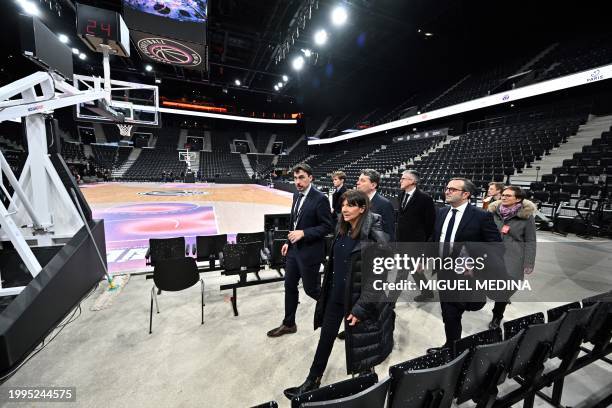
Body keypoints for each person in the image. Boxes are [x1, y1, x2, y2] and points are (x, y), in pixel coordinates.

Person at [283, 190, 394, 398]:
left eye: (350, 205)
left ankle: (366, 386)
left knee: (363, 347)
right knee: (325, 338)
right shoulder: (342, 228)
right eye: (343, 204)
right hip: (336, 296)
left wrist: (361, 307)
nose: (344, 209)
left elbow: (380, 276)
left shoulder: (374, 233)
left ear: (362, 208)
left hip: (359, 301)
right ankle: (312, 380)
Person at [427, 178, 502, 354]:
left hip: (466, 275)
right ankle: (452, 346)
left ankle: (455, 348)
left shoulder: (481, 216)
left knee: (462, 308)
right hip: (444, 271)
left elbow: (496, 246)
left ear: (465, 194)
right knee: (449, 314)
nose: (447, 191)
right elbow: (435, 238)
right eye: (446, 188)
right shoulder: (442, 212)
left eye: (452, 189)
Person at [267, 163, 333, 338]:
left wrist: (304, 233)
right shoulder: (296, 195)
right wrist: (289, 241)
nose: (298, 181)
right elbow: (293, 222)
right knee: (289, 285)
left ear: (310, 177)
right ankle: (289, 323)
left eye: (301, 177)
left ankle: (335, 310)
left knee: (312, 290)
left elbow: (327, 226)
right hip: (294, 250)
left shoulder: (320, 198)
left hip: (310, 252)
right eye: (295, 178)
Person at [486, 186, 536, 329]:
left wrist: (529, 263)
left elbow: (531, 241)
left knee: (505, 290)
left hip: (513, 258)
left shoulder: (527, 217)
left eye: (508, 195)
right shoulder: (492, 212)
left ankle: (497, 316)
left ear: (518, 199)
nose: (504, 197)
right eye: (503, 195)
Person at [396, 170, 436, 301]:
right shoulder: (401, 194)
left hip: (416, 243)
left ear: (413, 181)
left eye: (404, 178)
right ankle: (427, 291)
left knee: (402, 272)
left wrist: (424, 248)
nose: (400, 180)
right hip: (402, 240)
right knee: (414, 270)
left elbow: (430, 224)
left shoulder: (425, 199)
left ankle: (391, 300)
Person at [356, 169, 395, 241]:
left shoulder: (384, 204)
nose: (358, 183)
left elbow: (388, 234)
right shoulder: (357, 202)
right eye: (358, 180)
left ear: (373, 185)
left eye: (362, 180)